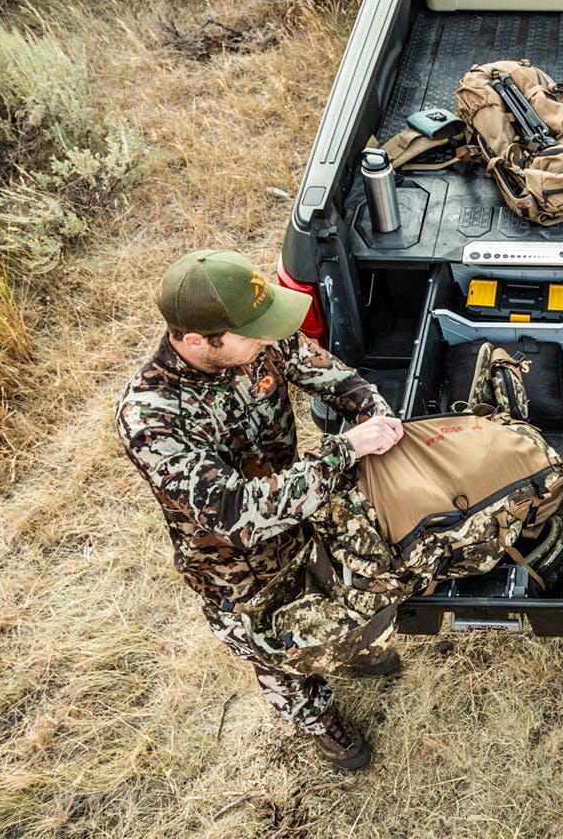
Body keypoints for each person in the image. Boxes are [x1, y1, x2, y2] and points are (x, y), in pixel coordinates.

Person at [116, 249, 404, 771]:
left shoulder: (257, 331)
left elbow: (332, 376)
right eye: (257, 335)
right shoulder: (150, 417)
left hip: (303, 525)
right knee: (280, 658)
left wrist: (373, 412)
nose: (272, 341)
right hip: (237, 575)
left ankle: (358, 654)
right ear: (199, 342)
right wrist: (345, 449)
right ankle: (320, 720)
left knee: (345, 597)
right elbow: (236, 513)